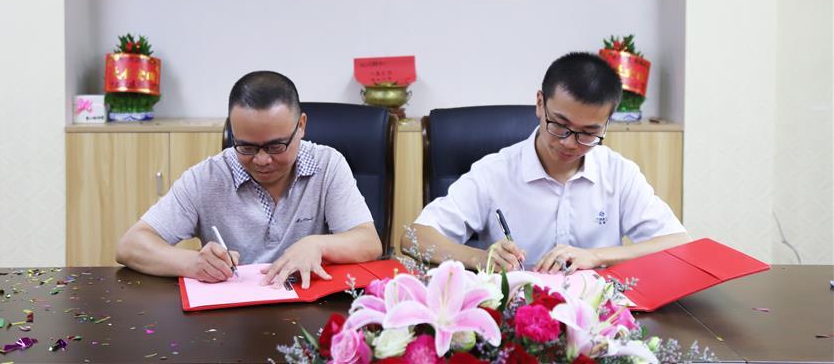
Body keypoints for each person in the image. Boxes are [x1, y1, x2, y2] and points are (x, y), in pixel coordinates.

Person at [403, 51, 689, 273]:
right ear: (540, 104)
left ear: (606, 124)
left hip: (597, 317)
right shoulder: (495, 172)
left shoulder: (618, 173)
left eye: (589, 133)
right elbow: (414, 236)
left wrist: (596, 256)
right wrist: (480, 257)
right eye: (560, 125)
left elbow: (679, 244)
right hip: (517, 317)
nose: (570, 143)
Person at [116, 71, 382, 287]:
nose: (262, 160)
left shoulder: (327, 165)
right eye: (246, 146)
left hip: (308, 312)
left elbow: (369, 243)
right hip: (230, 318)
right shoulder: (207, 177)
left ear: (301, 126)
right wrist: (193, 263)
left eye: (276, 146)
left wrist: (318, 245)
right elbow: (130, 246)